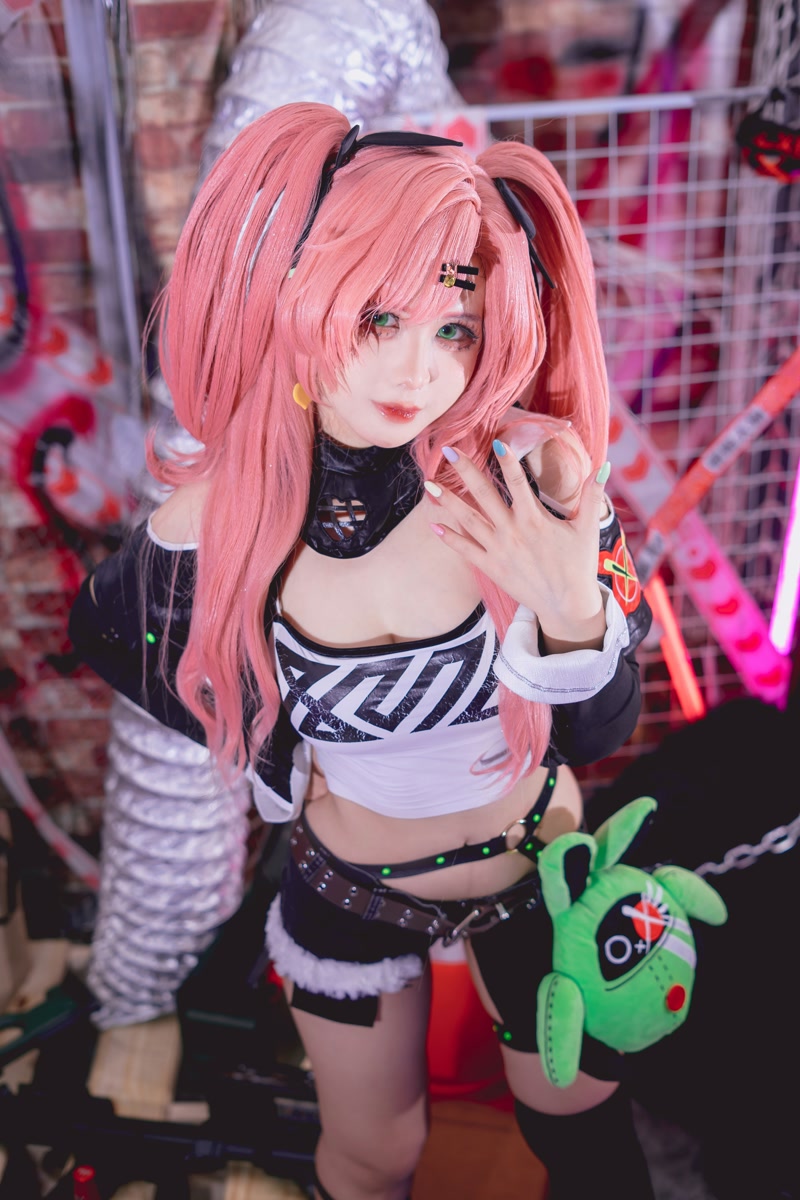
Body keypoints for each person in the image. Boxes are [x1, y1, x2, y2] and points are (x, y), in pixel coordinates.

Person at [69, 101, 654, 1200]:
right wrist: (264, 741)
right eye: (377, 318)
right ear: (302, 297)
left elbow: (599, 731)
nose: (416, 371)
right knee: (372, 1154)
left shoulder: (533, 474)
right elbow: (111, 630)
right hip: (352, 889)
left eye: (454, 328)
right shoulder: (228, 513)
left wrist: (568, 609)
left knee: (578, 1124)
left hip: (535, 866)